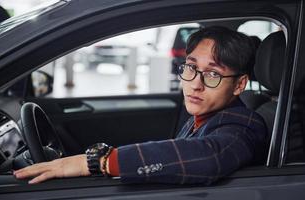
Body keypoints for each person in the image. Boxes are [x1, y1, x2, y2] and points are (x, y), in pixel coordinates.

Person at [14, 26, 267, 185]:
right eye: (191, 68)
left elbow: (210, 156)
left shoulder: (244, 123)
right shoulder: (203, 116)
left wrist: (97, 162)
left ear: (239, 84)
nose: (195, 84)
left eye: (213, 75)